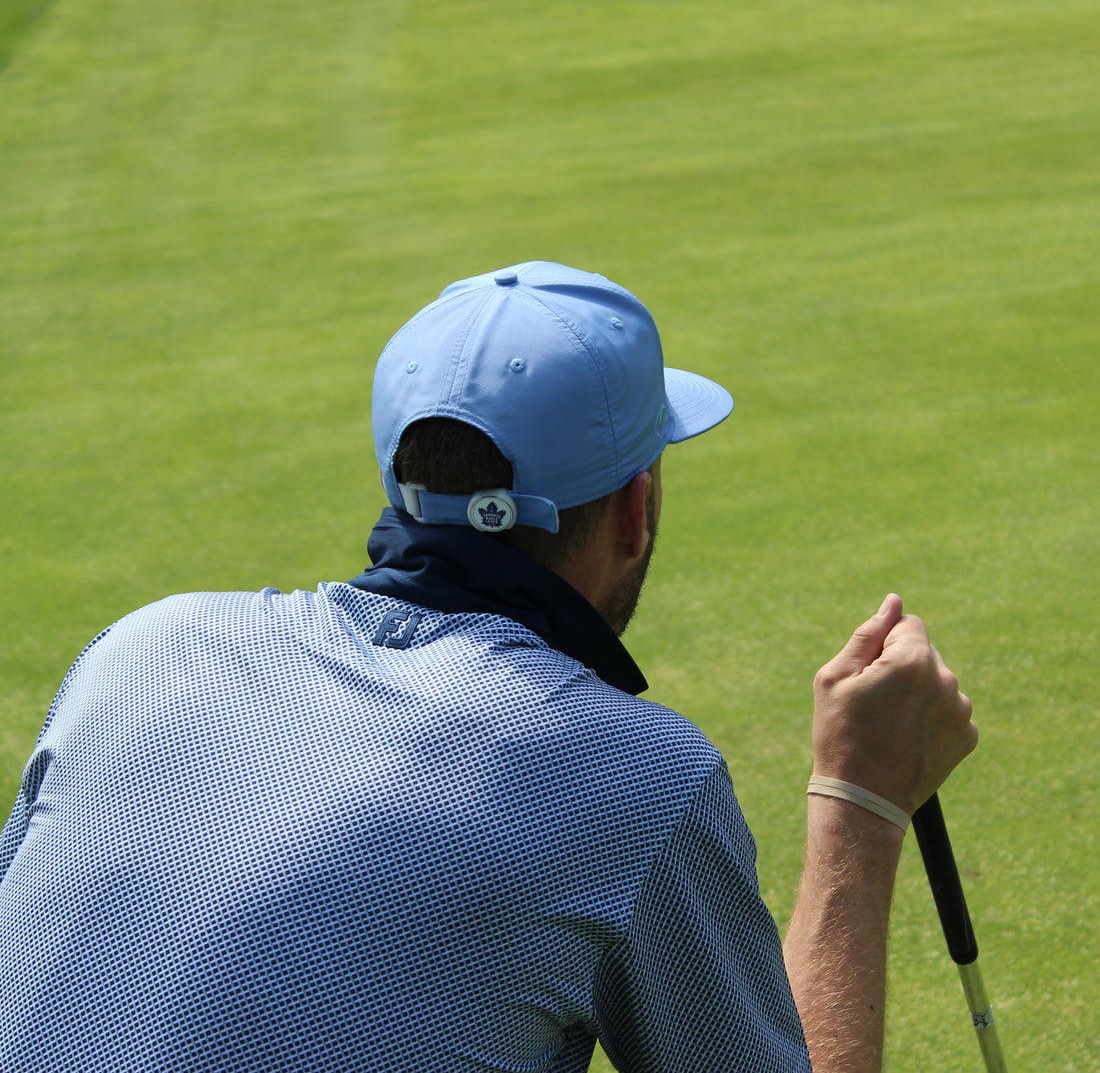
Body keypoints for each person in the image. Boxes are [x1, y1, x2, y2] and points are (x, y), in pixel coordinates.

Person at [0, 261, 977, 1072]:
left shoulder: (137, 648)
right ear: (635, 511)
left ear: (401, 480)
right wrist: (860, 801)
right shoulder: (630, 776)